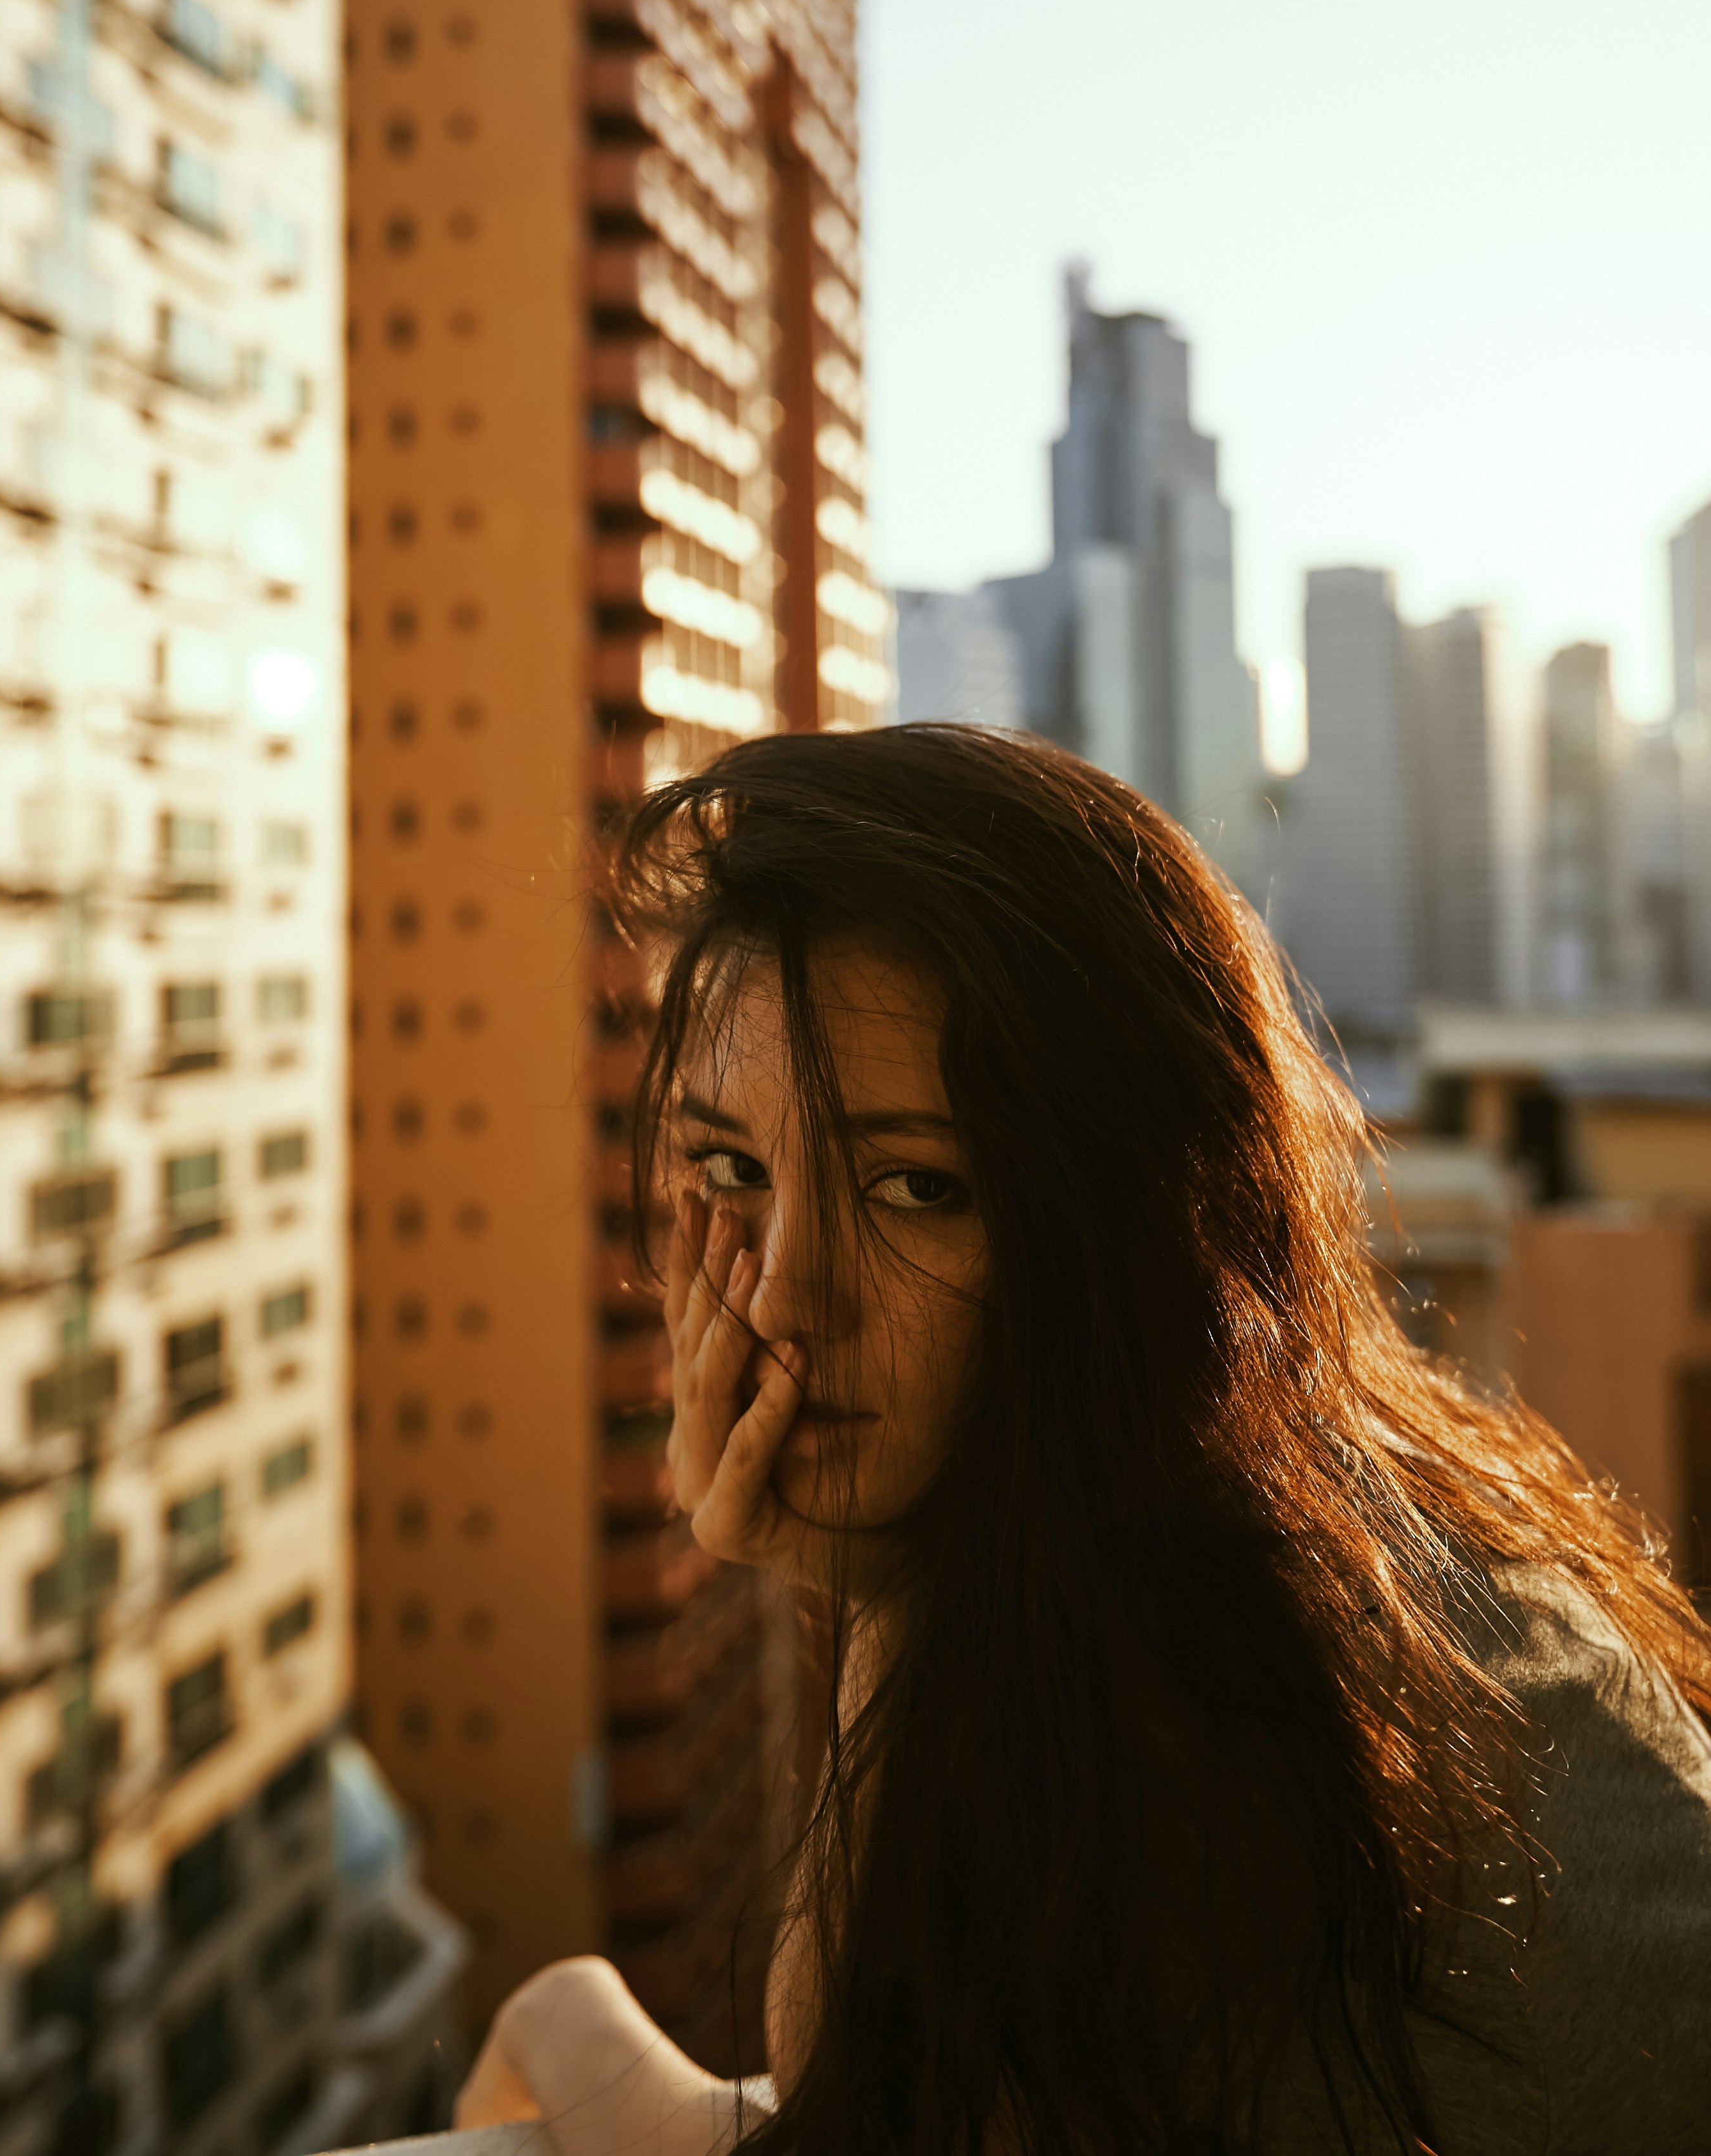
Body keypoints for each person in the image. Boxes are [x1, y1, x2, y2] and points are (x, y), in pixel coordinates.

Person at [455, 724, 1711, 2153]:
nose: (786, 1292)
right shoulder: (1371, 1501)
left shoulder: (1165, 1704)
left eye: (920, 1184)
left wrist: (883, 1589)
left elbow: (849, 2097)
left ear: (1136, 1216)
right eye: (732, 1168)